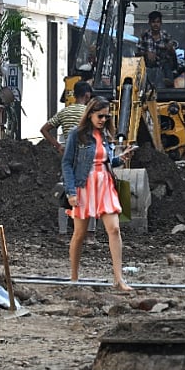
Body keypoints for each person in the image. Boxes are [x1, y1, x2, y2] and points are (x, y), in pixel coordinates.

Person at [61, 97, 137, 291]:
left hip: (105, 184)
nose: (103, 120)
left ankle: (119, 279)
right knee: (79, 233)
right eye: (99, 116)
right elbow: (67, 163)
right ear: (90, 114)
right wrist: (71, 192)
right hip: (83, 185)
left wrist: (121, 158)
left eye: (106, 116)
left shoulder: (104, 136)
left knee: (114, 229)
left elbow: (106, 161)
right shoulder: (76, 135)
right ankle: (74, 277)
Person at [41, 81, 93, 156]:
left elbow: (44, 129)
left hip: (68, 154)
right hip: (86, 155)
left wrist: (58, 146)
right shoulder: (89, 112)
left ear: (74, 95)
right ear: (87, 95)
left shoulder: (63, 112)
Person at [138, 11, 178, 89]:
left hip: (164, 68)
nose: (155, 24)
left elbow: (173, 54)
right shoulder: (144, 36)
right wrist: (147, 53)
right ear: (149, 23)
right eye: (153, 22)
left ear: (161, 23)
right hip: (149, 69)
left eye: (158, 22)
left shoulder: (166, 36)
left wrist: (170, 49)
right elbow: (137, 54)